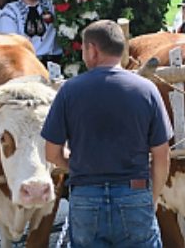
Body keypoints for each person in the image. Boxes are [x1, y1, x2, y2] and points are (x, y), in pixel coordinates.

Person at [42, 20, 171, 247]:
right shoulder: (147, 90)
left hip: (85, 196)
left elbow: (51, 153)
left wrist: (78, 167)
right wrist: (152, 198)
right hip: (134, 192)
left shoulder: (69, 91)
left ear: (92, 50)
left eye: (83, 49)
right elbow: (162, 155)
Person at [0, 0, 62, 65]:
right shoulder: (10, 11)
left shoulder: (51, 4)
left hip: (54, 61)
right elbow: (10, 42)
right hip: (26, 62)